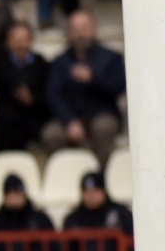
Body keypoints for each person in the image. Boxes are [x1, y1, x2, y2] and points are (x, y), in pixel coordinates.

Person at [42, 10, 126, 166]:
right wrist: (69, 121)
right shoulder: (60, 61)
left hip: (102, 113)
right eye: (75, 29)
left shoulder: (111, 57)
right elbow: (53, 94)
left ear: (94, 29)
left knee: (103, 128)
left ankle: (101, 177)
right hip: (72, 115)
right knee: (51, 133)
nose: (80, 34)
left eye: (84, 28)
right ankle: (70, 172)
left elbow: (119, 87)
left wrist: (93, 79)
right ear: (69, 33)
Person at [0, 21, 51, 153]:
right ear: (9, 42)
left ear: (31, 41)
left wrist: (32, 100)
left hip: (34, 118)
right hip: (6, 121)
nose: (20, 45)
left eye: (24, 40)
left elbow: (49, 95)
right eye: (17, 40)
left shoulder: (42, 64)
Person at [62, 171, 134, 251]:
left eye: (95, 191)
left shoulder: (122, 214)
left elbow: (129, 249)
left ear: (104, 191)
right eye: (87, 192)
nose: (91, 196)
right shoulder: (72, 219)